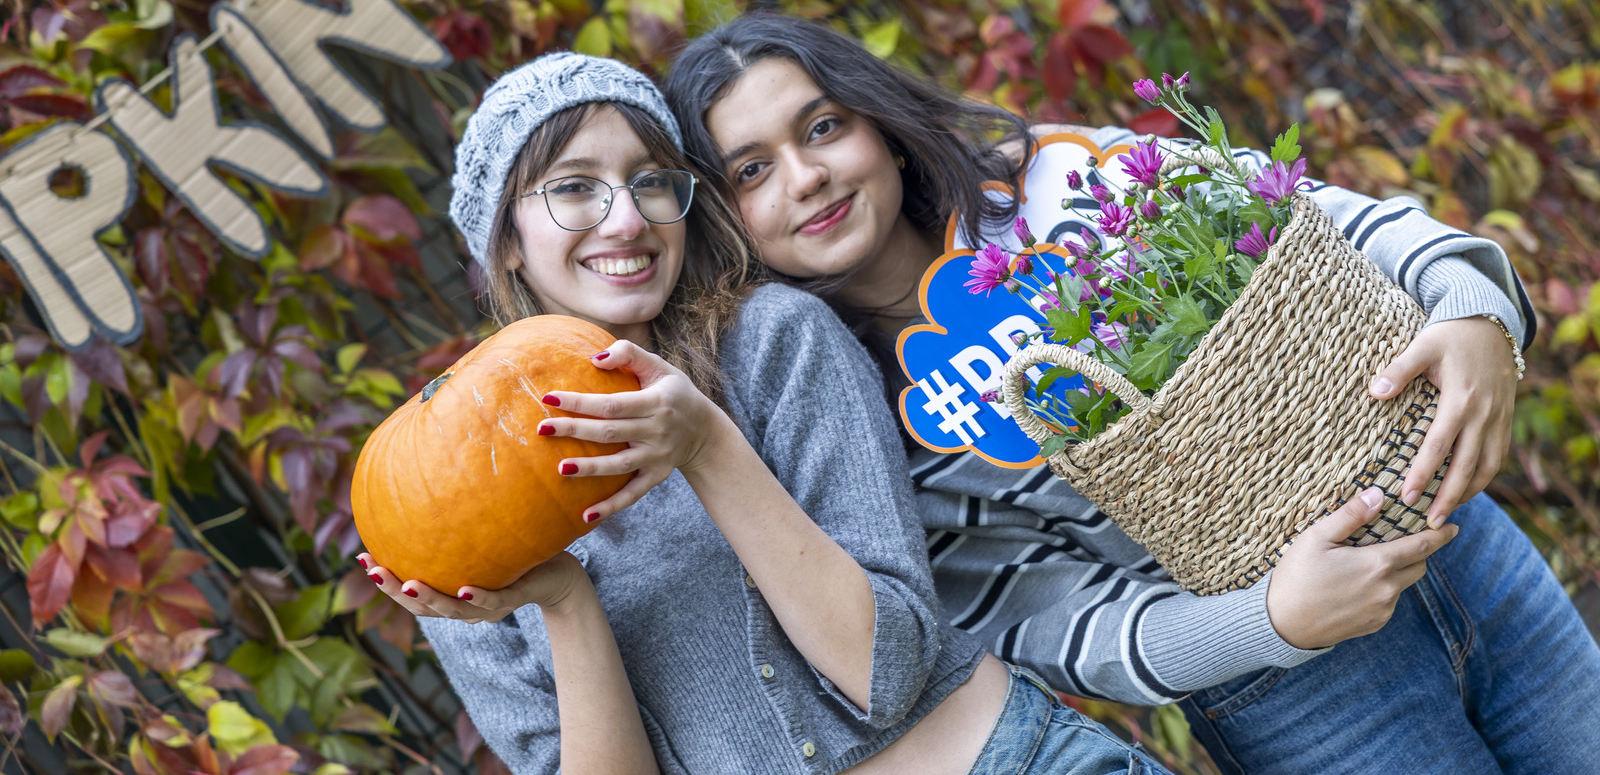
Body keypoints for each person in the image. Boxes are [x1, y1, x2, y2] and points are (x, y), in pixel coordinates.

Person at [664, 12, 1600, 775]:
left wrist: (1474, 308)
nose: (808, 176)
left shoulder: (1051, 186)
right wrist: (1268, 622)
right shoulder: (842, 419)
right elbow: (1044, 618)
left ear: (879, 127)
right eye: (752, 170)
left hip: (1455, 538)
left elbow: (1306, 216)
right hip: (1298, 682)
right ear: (721, 218)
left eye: (824, 126)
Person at [357, 52, 1173, 775]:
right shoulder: (436, 492)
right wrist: (564, 600)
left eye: (650, 180)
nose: (628, 219)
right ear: (504, 239)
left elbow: (884, 672)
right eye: (574, 188)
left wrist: (707, 447)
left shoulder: (773, 343)